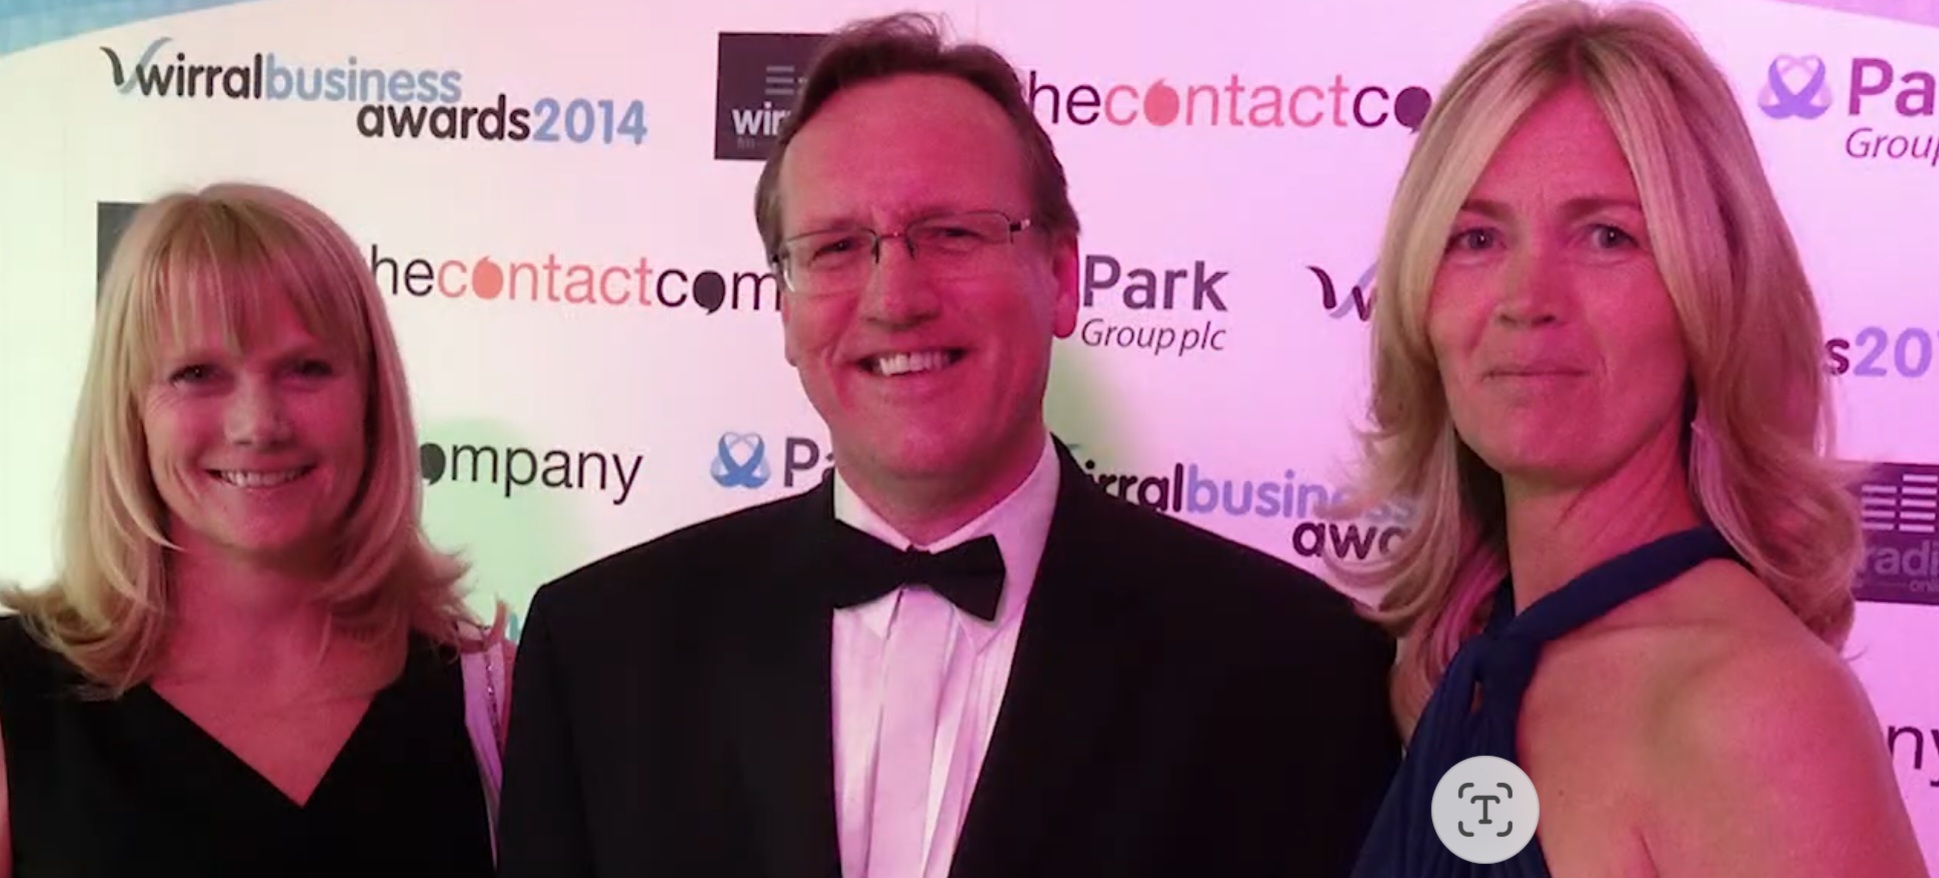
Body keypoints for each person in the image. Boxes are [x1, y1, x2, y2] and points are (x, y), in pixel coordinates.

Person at [495, 12, 1400, 878]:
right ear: (783, 306)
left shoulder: (1292, 669)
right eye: (835, 247)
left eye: (952, 234)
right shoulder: (598, 652)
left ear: (1062, 276)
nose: (895, 299)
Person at [1331, 2, 1930, 876]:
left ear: (1710, 293)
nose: (1526, 298)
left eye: (1606, 236)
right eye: (1476, 237)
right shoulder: (1457, 668)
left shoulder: (1753, 710)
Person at [0, 183, 515, 878]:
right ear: (130, 411)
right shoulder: (14, 700)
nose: (257, 425)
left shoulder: (496, 700)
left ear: (371, 398)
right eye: (197, 373)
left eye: (306, 369)